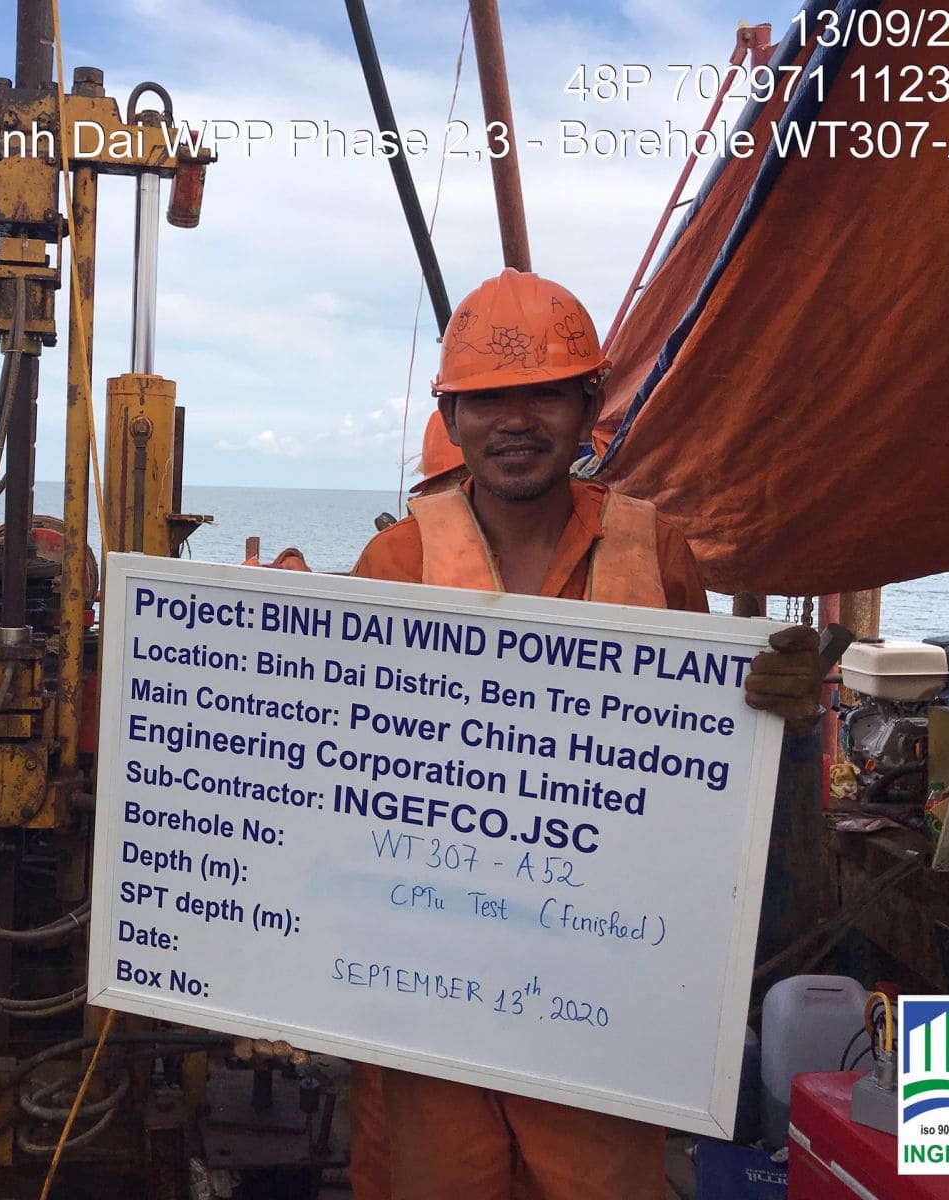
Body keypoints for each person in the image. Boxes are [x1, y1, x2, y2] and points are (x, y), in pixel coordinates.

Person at [347, 269, 822, 1200]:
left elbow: (709, 746)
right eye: (488, 399)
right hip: (428, 981)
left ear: (590, 405)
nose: (516, 421)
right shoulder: (394, 562)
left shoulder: (655, 549)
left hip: (602, 982)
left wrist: (781, 705)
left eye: (546, 393)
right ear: (451, 415)